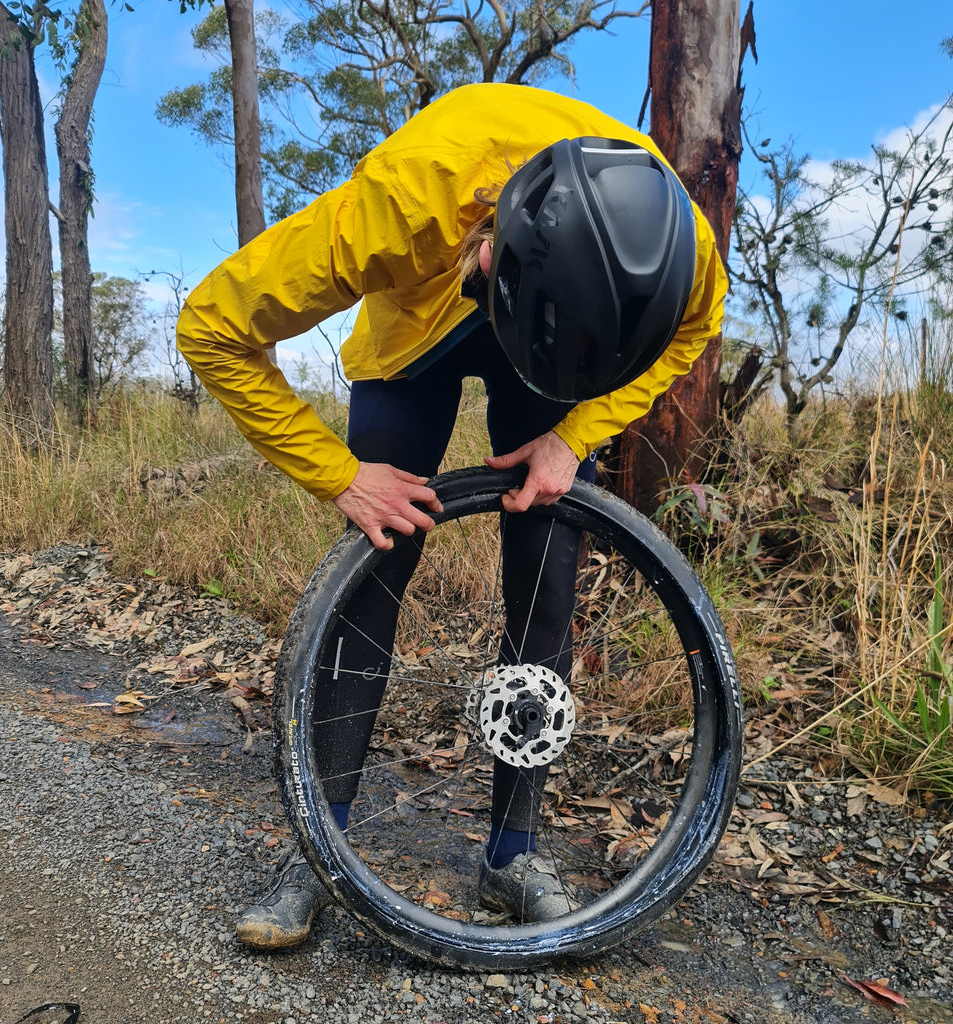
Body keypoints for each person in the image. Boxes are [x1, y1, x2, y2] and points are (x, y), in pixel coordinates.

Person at [177, 82, 727, 952]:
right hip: (418, 328)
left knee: (547, 562)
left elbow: (697, 331)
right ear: (485, 245)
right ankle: (320, 848)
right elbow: (212, 325)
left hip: (562, 353)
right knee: (378, 556)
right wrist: (342, 476)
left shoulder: (681, 244)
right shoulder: (399, 205)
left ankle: (512, 855)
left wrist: (572, 438)